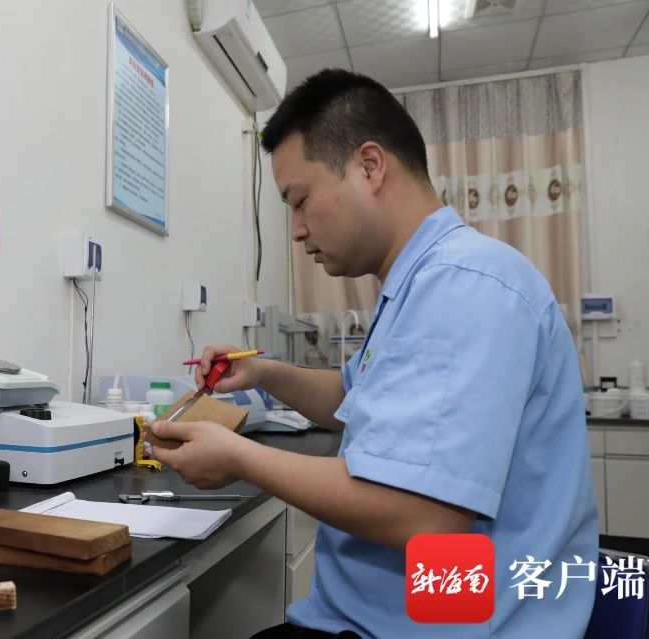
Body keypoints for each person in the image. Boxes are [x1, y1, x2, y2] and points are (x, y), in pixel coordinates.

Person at [147, 69, 598, 638]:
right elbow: (352, 395)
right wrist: (263, 372)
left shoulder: (463, 284)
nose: (296, 231)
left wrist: (239, 457)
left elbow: (421, 514)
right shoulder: (420, 282)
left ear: (369, 165)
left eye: (300, 201)